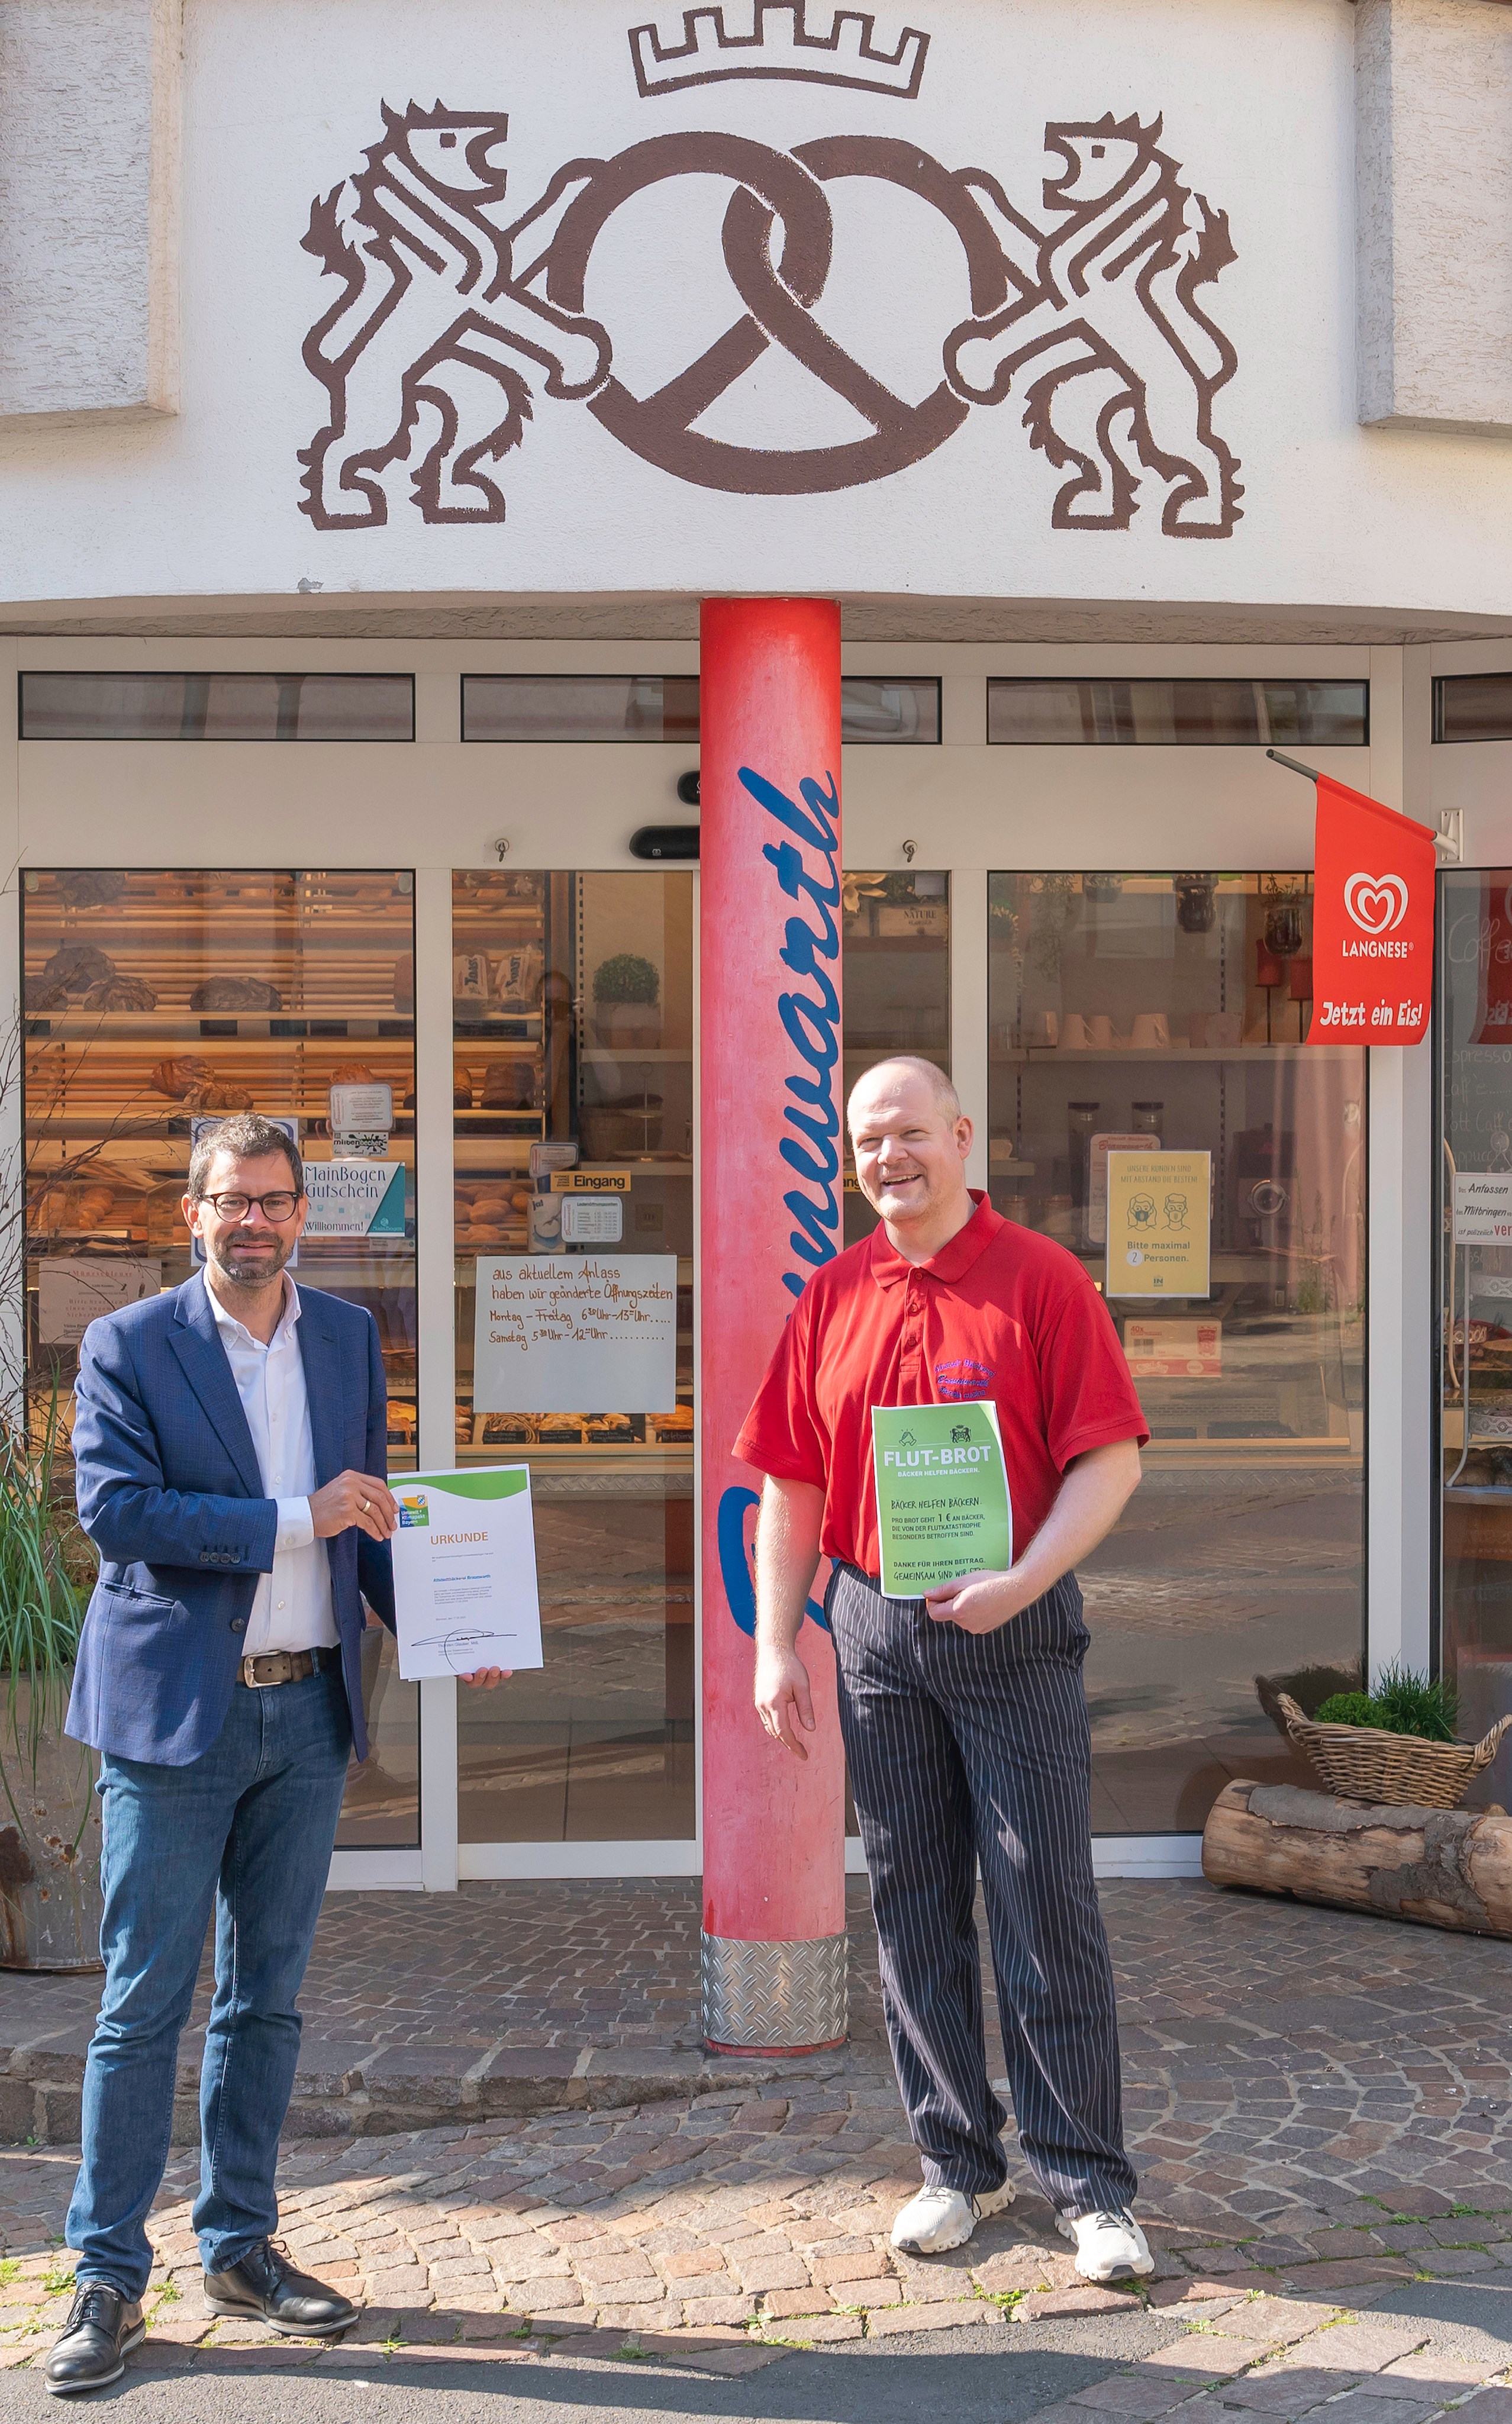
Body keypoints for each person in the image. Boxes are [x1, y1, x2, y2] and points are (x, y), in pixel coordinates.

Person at [46, 1114, 507, 2397]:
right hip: (176, 1718)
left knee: (269, 1996)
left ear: (308, 1212)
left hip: (306, 1714)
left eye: (275, 1200)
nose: (254, 1219)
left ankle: (239, 2243)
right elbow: (118, 1512)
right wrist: (286, 1518)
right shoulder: (127, 1343)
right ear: (192, 1212)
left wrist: (445, 1621)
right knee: (143, 2003)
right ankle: (104, 2273)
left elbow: (369, 1516)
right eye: (230, 1199)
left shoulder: (350, 1337)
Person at [736, 1058, 1153, 2283]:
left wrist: (1024, 1579)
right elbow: (791, 1480)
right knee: (913, 1900)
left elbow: (1110, 1460)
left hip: (1012, 1630)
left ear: (963, 1136)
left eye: (909, 1131)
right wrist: (777, 1638)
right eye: (868, 1139)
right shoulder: (836, 1290)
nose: (888, 1156)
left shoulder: (1043, 1281)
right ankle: (954, 2165)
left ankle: (1089, 2184)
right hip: (876, 1629)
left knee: (1044, 1902)